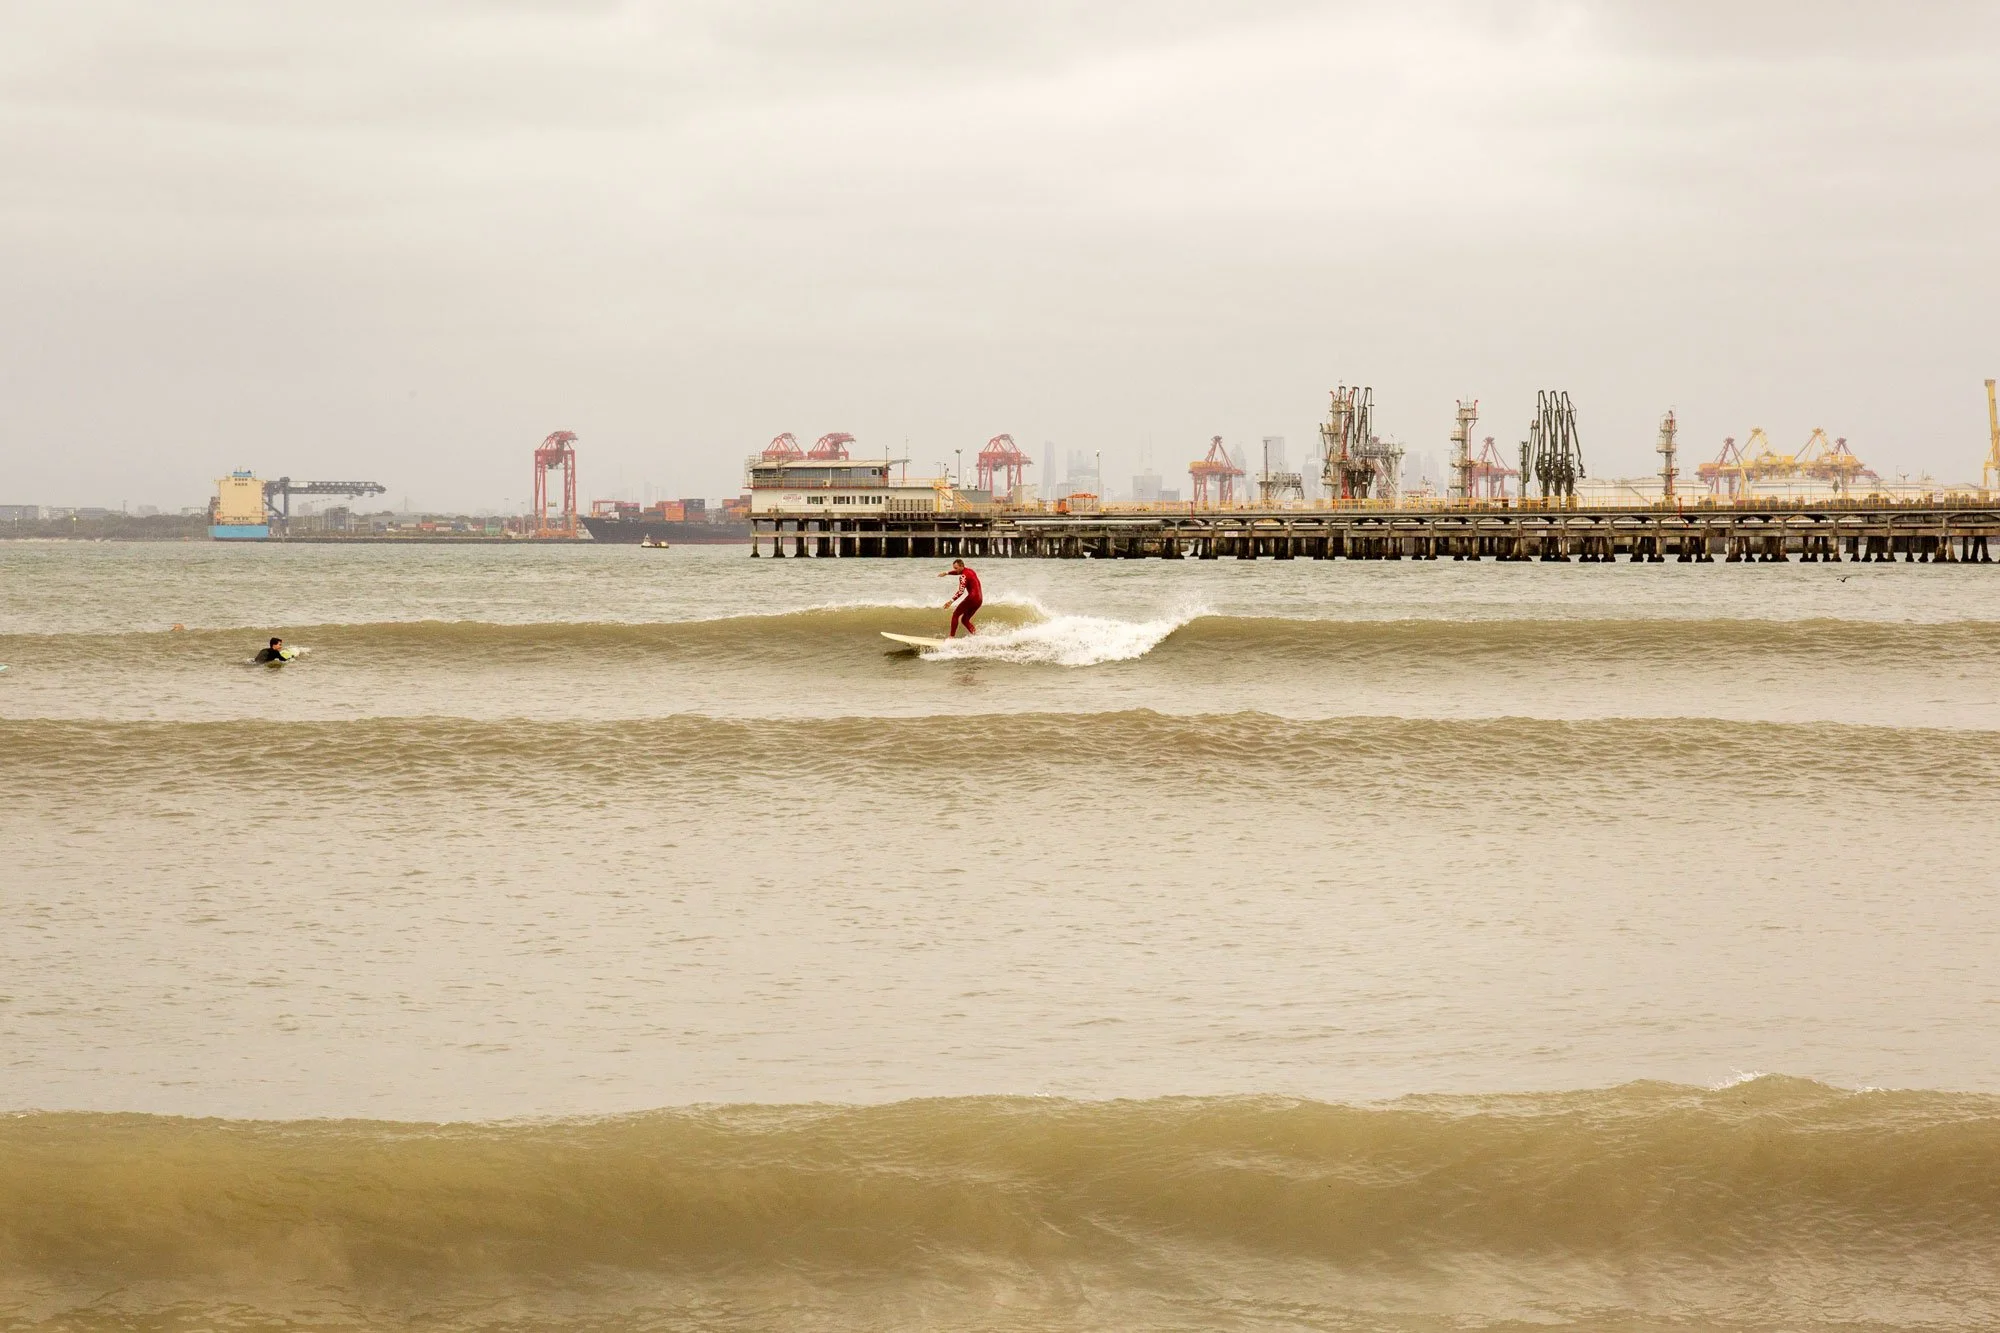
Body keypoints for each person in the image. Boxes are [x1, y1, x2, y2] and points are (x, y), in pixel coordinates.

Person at [938, 559, 982, 637]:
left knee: (955, 614)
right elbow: (958, 572)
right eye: (954, 568)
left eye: (956, 568)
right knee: (964, 620)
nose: (955, 570)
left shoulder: (963, 576)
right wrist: (947, 573)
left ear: (961, 566)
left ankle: (951, 637)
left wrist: (950, 601)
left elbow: (961, 591)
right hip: (979, 599)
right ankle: (977, 636)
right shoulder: (970, 571)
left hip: (972, 598)